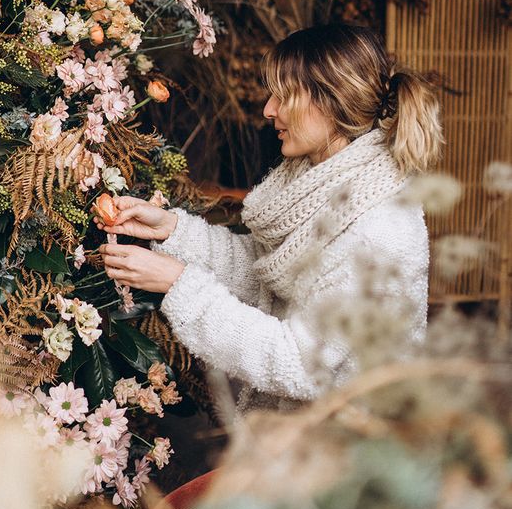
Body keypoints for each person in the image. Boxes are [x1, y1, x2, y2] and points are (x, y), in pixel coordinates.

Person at [95, 25, 444, 414]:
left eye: (284, 95)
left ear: (329, 102)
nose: (268, 109)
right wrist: (174, 231)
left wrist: (179, 284)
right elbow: (269, 273)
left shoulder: (376, 227)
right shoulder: (322, 183)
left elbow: (300, 363)